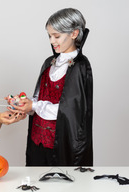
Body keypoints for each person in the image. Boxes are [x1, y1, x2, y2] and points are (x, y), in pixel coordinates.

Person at [8, 8, 93, 166]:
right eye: (49, 36)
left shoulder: (80, 66)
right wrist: (25, 104)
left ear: (74, 33)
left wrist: (34, 105)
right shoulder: (49, 63)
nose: (51, 41)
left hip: (61, 145)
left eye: (57, 36)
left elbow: (71, 110)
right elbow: (40, 98)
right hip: (37, 141)